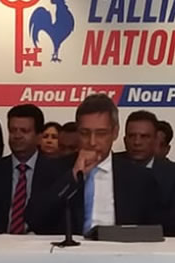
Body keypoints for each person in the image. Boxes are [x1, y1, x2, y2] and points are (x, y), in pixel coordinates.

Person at [26, 94, 160, 236]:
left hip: (118, 248)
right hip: (69, 249)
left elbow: (153, 233)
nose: (92, 142)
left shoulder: (139, 177)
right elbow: (34, 220)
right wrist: (73, 176)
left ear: (115, 132)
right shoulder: (53, 169)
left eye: (101, 133)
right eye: (85, 133)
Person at [0, 105, 62, 234]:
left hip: (41, 243)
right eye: (13, 130)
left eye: (24, 131)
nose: (17, 136)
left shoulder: (57, 173)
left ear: (39, 136)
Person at [115, 110, 175, 236]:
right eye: (132, 136)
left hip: (161, 243)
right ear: (125, 140)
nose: (137, 142)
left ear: (156, 140)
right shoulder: (110, 167)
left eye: (144, 136)